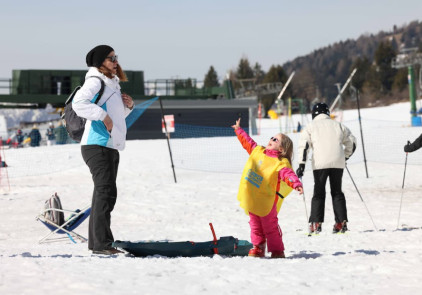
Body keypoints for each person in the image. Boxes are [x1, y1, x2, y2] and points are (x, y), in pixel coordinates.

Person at [72, 45, 134, 255]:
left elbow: (116, 118)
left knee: (106, 193)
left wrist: (128, 107)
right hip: (96, 145)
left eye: (116, 57)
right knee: (105, 192)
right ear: (100, 62)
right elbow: (78, 104)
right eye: (110, 58)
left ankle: (98, 242)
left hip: (108, 145)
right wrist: (102, 116)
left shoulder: (112, 84)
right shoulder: (95, 81)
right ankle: (101, 244)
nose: (115, 61)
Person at [232, 118, 303, 258]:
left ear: (281, 149)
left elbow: (287, 174)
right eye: (272, 137)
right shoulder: (258, 151)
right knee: (254, 225)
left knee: (270, 226)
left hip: (267, 201)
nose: (271, 139)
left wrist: (296, 184)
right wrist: (239, 130)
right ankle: (258, 247)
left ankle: (277, 250)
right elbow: (248, 143)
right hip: (253, 198)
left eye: (275, 140)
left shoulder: (280, 162)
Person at [296, 103, 356, 234]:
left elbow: (304, 146)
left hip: (320, 164)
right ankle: (341, 223)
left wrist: (301, 164)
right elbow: (352, 142)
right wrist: (345, 157)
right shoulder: (339, 125)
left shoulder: (310, 127)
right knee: (337, 192)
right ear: (328, 113)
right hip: (337, 163)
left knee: (319, 192)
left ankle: (316, 223)